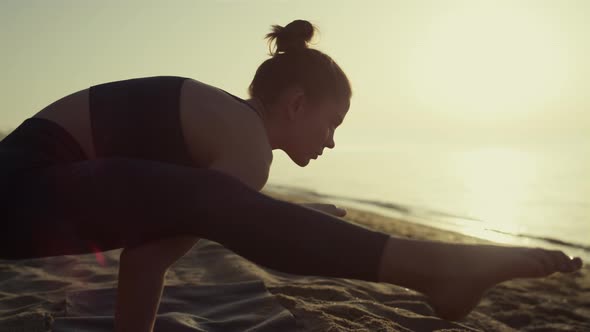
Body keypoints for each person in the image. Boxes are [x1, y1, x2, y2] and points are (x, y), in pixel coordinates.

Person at [0, 19, 583, 331]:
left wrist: (277, 217)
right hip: (20, 189)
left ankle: (430, 268)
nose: (331, 142)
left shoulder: (214, 140)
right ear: (297, 103)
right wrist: (281, 219)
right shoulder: (246, 144)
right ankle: (429, 267)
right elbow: (190, 228)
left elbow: (146, 258)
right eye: (332, 123)